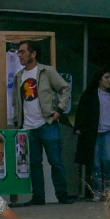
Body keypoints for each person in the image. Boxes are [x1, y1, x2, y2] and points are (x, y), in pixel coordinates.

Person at [11, 39, 73, 205]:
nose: (19, 55)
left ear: (33, 54)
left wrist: (59, 111)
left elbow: (65, 89)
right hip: (28, 127)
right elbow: (17, 101)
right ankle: (38, 197)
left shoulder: (47, 71)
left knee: (56, 162)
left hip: (47, 123)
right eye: (18, 52)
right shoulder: (19, 76)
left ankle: (62, 195)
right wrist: (17, 122)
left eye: (23, 52)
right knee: (34, 164)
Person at [74, 70, 110, 201]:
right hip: (95, 132)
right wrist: (79, 126)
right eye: (106, 77)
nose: (109, 80)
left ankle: (109, 189)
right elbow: (82, 110)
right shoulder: (90, 94)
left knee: (109, 159)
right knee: (96, 163)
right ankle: (97, 191)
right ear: (100, 79)